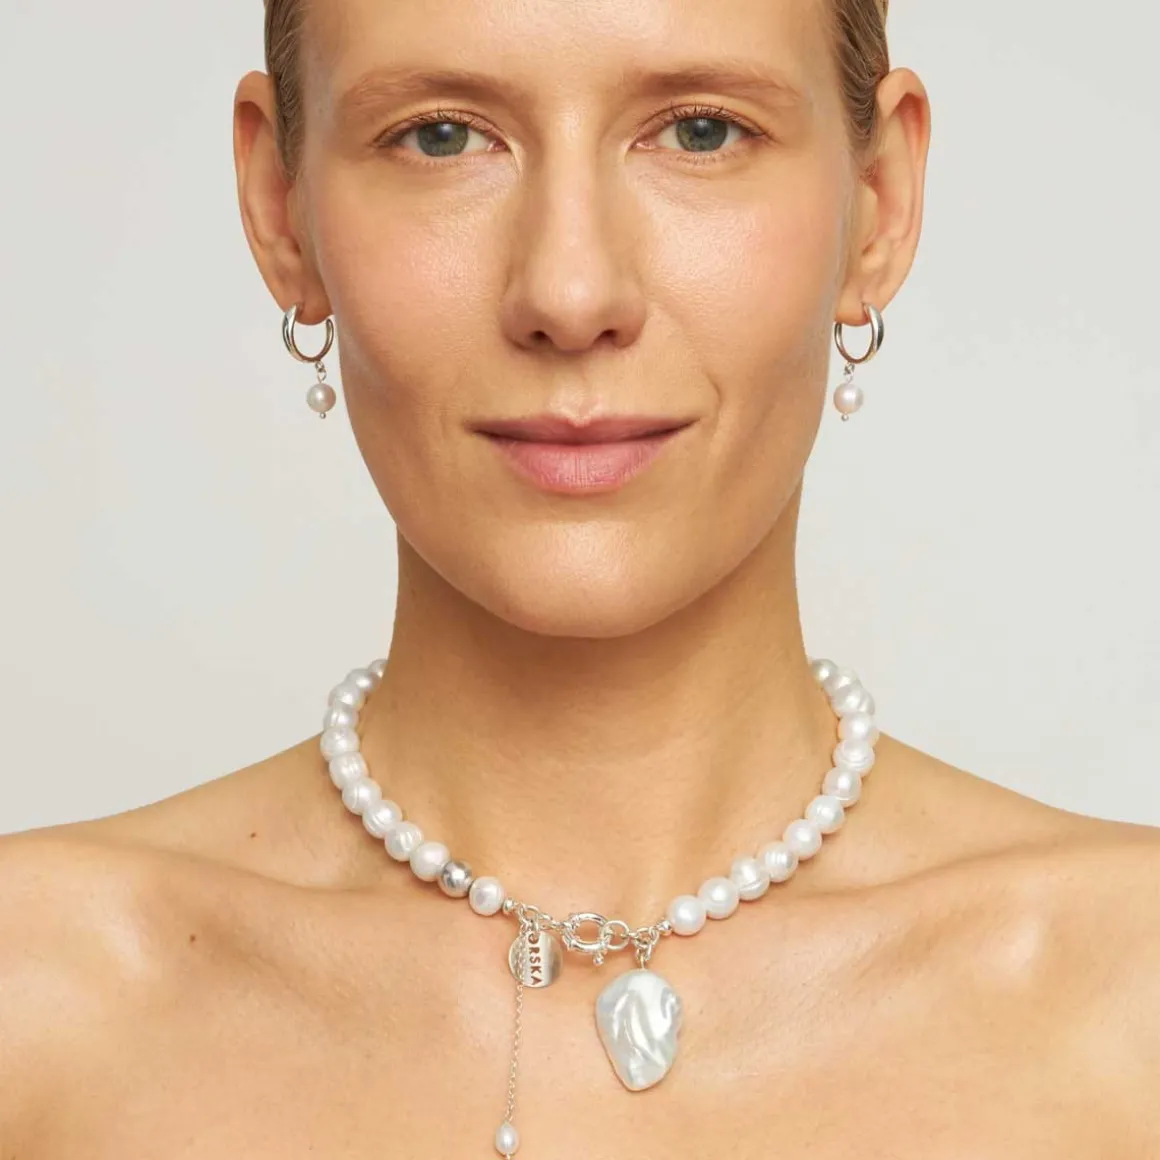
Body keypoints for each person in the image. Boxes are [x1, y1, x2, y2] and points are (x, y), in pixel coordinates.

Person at [2, 0, 1157, 1154]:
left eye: (699, 131)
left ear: (878, 204)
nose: (567, 294)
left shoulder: (1128, 998)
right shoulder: (36, 995)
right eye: (441, 137)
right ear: (279, 208)